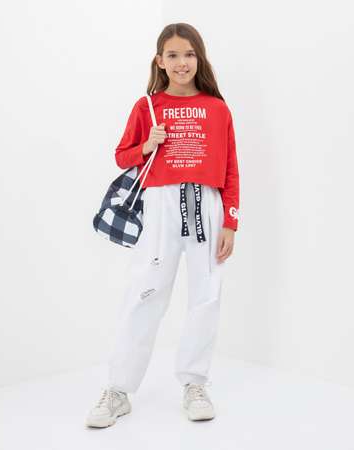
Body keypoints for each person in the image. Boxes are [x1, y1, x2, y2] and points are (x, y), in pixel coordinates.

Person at [86, 22, 240, 428]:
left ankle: (194, 383)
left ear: (199, 58)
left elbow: (230, 168)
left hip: (207, 205)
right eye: (172, 55)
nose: (181, 62)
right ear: (160, 60)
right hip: (160, 203)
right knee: (146, 291)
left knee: (207, 294)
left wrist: (230, 220)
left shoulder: (217, 108)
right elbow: (122, 156)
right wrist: (147, 145)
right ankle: (118, 389)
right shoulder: (147, 106)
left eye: (189, 54)